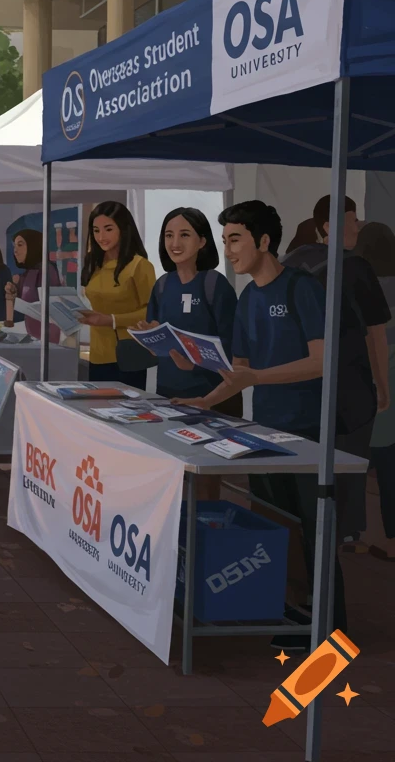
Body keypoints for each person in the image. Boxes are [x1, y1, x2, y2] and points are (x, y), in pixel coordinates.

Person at [177, 200, 346, 649]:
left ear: (264, 241)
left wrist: (255, 379)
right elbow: (240, 371)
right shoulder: (249, 297)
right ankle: (296, 611)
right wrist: (204, 399)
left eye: (236, 239)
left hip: (309, 429)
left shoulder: (301, 288)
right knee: (279, 523)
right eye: (225, 240)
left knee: (314, 527)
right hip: (265, 429)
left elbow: (320, 361)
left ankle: (332, 623)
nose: (228, 250)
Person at [282, 195, 389, 545]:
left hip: (301, 379)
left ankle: (307, 527)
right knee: (350, 461)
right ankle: (344, 533)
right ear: (329, 226)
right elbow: (375, 333)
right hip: (350, 381)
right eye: (352, 219)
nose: (357, 227)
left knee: (308, 458)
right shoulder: (356, 267)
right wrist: (383, 386)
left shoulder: (291, 262)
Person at [136, 208, 239, 410]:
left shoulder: (215, 284)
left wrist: (193, 364)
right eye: (169, 235)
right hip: (167, 391)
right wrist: (150, 336)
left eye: (184, 235)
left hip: (213, 395)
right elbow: (157, 349)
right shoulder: (162, 285)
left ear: (202, 241)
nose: (175, 243)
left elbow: (234, 348)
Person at [79, 201, 156, 388]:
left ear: (123, 228)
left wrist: (111, 320)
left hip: (128, 354)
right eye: (96, 230)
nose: (101, 236)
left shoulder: (140, 266)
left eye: (108, 229)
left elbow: (152, 313)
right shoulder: (93, 263)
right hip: (97, 353)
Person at [355, 221, 395, 542]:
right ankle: (392, 538)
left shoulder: (358, 285)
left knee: (355, 466)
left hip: (365, 390)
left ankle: (356, 535)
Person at [4, 228, 62, 342]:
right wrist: (11, 292)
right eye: (14, 246)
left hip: (47, 339)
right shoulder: (27, 273)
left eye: (20, 245)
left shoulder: (47, 271)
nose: (15, 250)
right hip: (32, 336)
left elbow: (51, 309)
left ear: (33, 246)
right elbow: (14, 308)